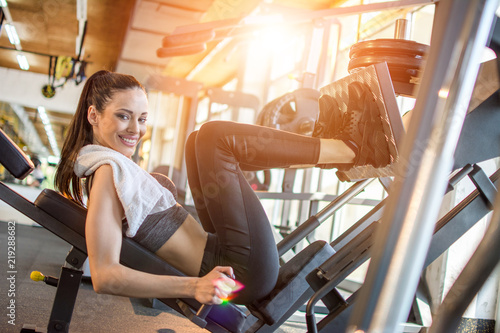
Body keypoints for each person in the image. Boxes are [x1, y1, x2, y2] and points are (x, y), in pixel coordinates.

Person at [54, 70, 395, 306]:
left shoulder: (113, 168)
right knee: (216, 138)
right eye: (123, 116)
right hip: (239, 275)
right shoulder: (105, 175)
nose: (136, 129)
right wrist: (195, 286)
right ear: (94, 115)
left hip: (224, 254)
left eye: (142, 118)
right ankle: (348, 148)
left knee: (197, 141)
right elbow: (105, 275)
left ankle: (331, 146)